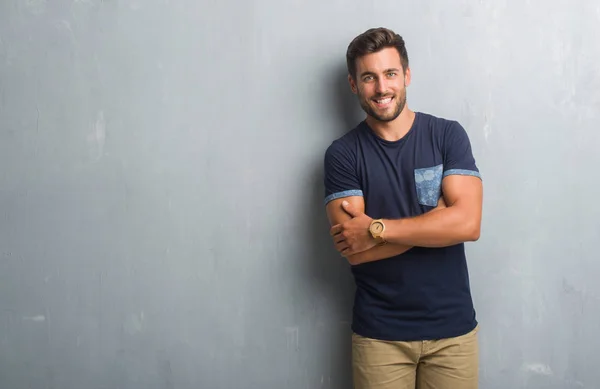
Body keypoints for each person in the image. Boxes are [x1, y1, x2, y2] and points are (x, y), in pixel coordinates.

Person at [323, 27, 483, 389]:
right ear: (354, 84)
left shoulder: (447, 136)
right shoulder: (343, 154)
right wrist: (440, 221)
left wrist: (377, 229)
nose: (381, 88)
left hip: (453, 333)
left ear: (406, 75)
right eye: (369, 77)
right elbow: (356, 251)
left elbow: (469, 225)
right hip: (380, 337)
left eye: (390, 74)